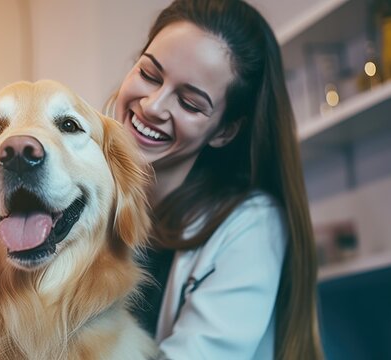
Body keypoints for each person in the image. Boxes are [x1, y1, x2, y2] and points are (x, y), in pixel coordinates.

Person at [105, 0, 323, 359]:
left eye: (189, 104)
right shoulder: (82, 184)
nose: (154, 106)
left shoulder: (252, 225)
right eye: (149, 74)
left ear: (224, 131)